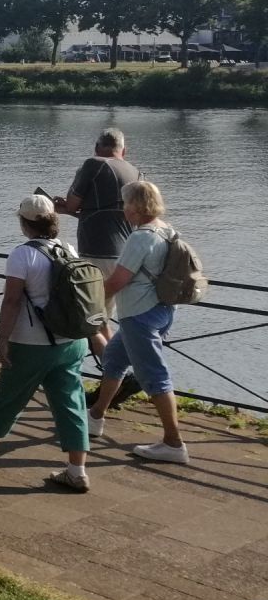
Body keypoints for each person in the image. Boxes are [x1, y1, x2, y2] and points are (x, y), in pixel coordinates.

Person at [0, 195, 93, 491]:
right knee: (71, 403)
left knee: (10, 397)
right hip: (70, 341)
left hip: (31, 343)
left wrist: (2, 340)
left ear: (25, 223)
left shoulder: (21, 255)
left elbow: (12, 300)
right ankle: (77, 470)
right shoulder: (68, 248)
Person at [84, 180, 189, 464]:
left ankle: (173, 443)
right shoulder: (166, 230)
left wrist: (88, 301)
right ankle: (95, 416)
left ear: (136, 206)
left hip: (139, 316)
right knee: (115, 361)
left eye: (125, 202)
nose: (122, 208)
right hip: (162, 309)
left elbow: (118, 280)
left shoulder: (140, 237)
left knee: (154, 376)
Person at [54, 127, 139, 275]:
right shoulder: (138, 175)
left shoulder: (94, 164)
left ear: (96, 147)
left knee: (94, 297)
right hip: (128, 256)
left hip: (97, 253)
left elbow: (72, 205)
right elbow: (112, 215)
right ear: (124, 150)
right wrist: (68, 211)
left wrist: (68, 207)